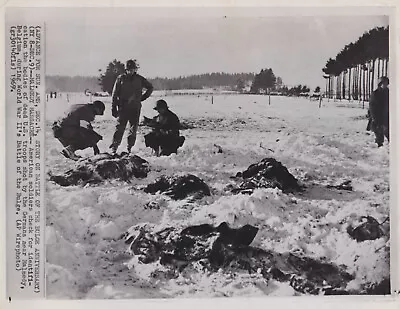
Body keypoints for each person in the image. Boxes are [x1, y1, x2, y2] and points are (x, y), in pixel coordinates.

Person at [109, 59, 154, 153]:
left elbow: (150, 87)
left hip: (135, 108)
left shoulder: (140, 79)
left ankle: (129, 148)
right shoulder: (120, 79)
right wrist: (113, 107)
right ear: (126, 69)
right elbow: (114, 94)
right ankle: (114, 148)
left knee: (133, 129)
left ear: (135, 69)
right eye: (129, 69)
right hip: (123, 108)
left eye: (133, 69)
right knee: (119, 128)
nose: (131, 71)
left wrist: (143, 97)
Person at [368, 76, 389, 147]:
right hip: (377, 118)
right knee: (379, 136)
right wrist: (375, 119)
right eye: (383, 83)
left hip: (386, 117)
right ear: (380, 84)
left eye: (386, 83)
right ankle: (379, 151)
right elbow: (372, 108)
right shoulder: (375, 94)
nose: (385, 85)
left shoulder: (389, 93)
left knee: (390, 134)